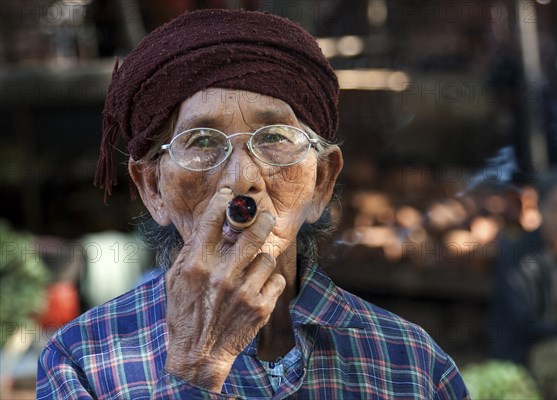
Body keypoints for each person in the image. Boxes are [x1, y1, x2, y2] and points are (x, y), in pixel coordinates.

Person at [37, 9, 469, 399]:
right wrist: (197, 371)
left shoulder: (411, 364)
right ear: (152, 188)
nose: (242, 178)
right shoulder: (83, 363)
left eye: (275, 139)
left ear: (322, 181)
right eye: (202, 142)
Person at [491, 165, 557, 396]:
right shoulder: (518, 256)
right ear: (539, 207)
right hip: (523, 355)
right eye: (556, 207)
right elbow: (523, 325)